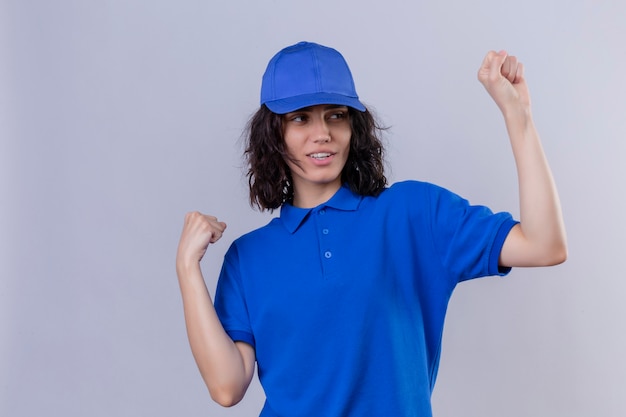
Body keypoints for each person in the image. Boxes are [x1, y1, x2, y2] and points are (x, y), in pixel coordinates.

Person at [176, 41, 567, 417]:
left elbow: (544, 245)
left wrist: (520, 117)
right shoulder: (249, 258)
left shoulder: (412, 213)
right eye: (300, 118)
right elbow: (227, 387)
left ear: (354, 126)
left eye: (336, 115)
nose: (322, 133)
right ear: (273, 134)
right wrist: (187, 268)